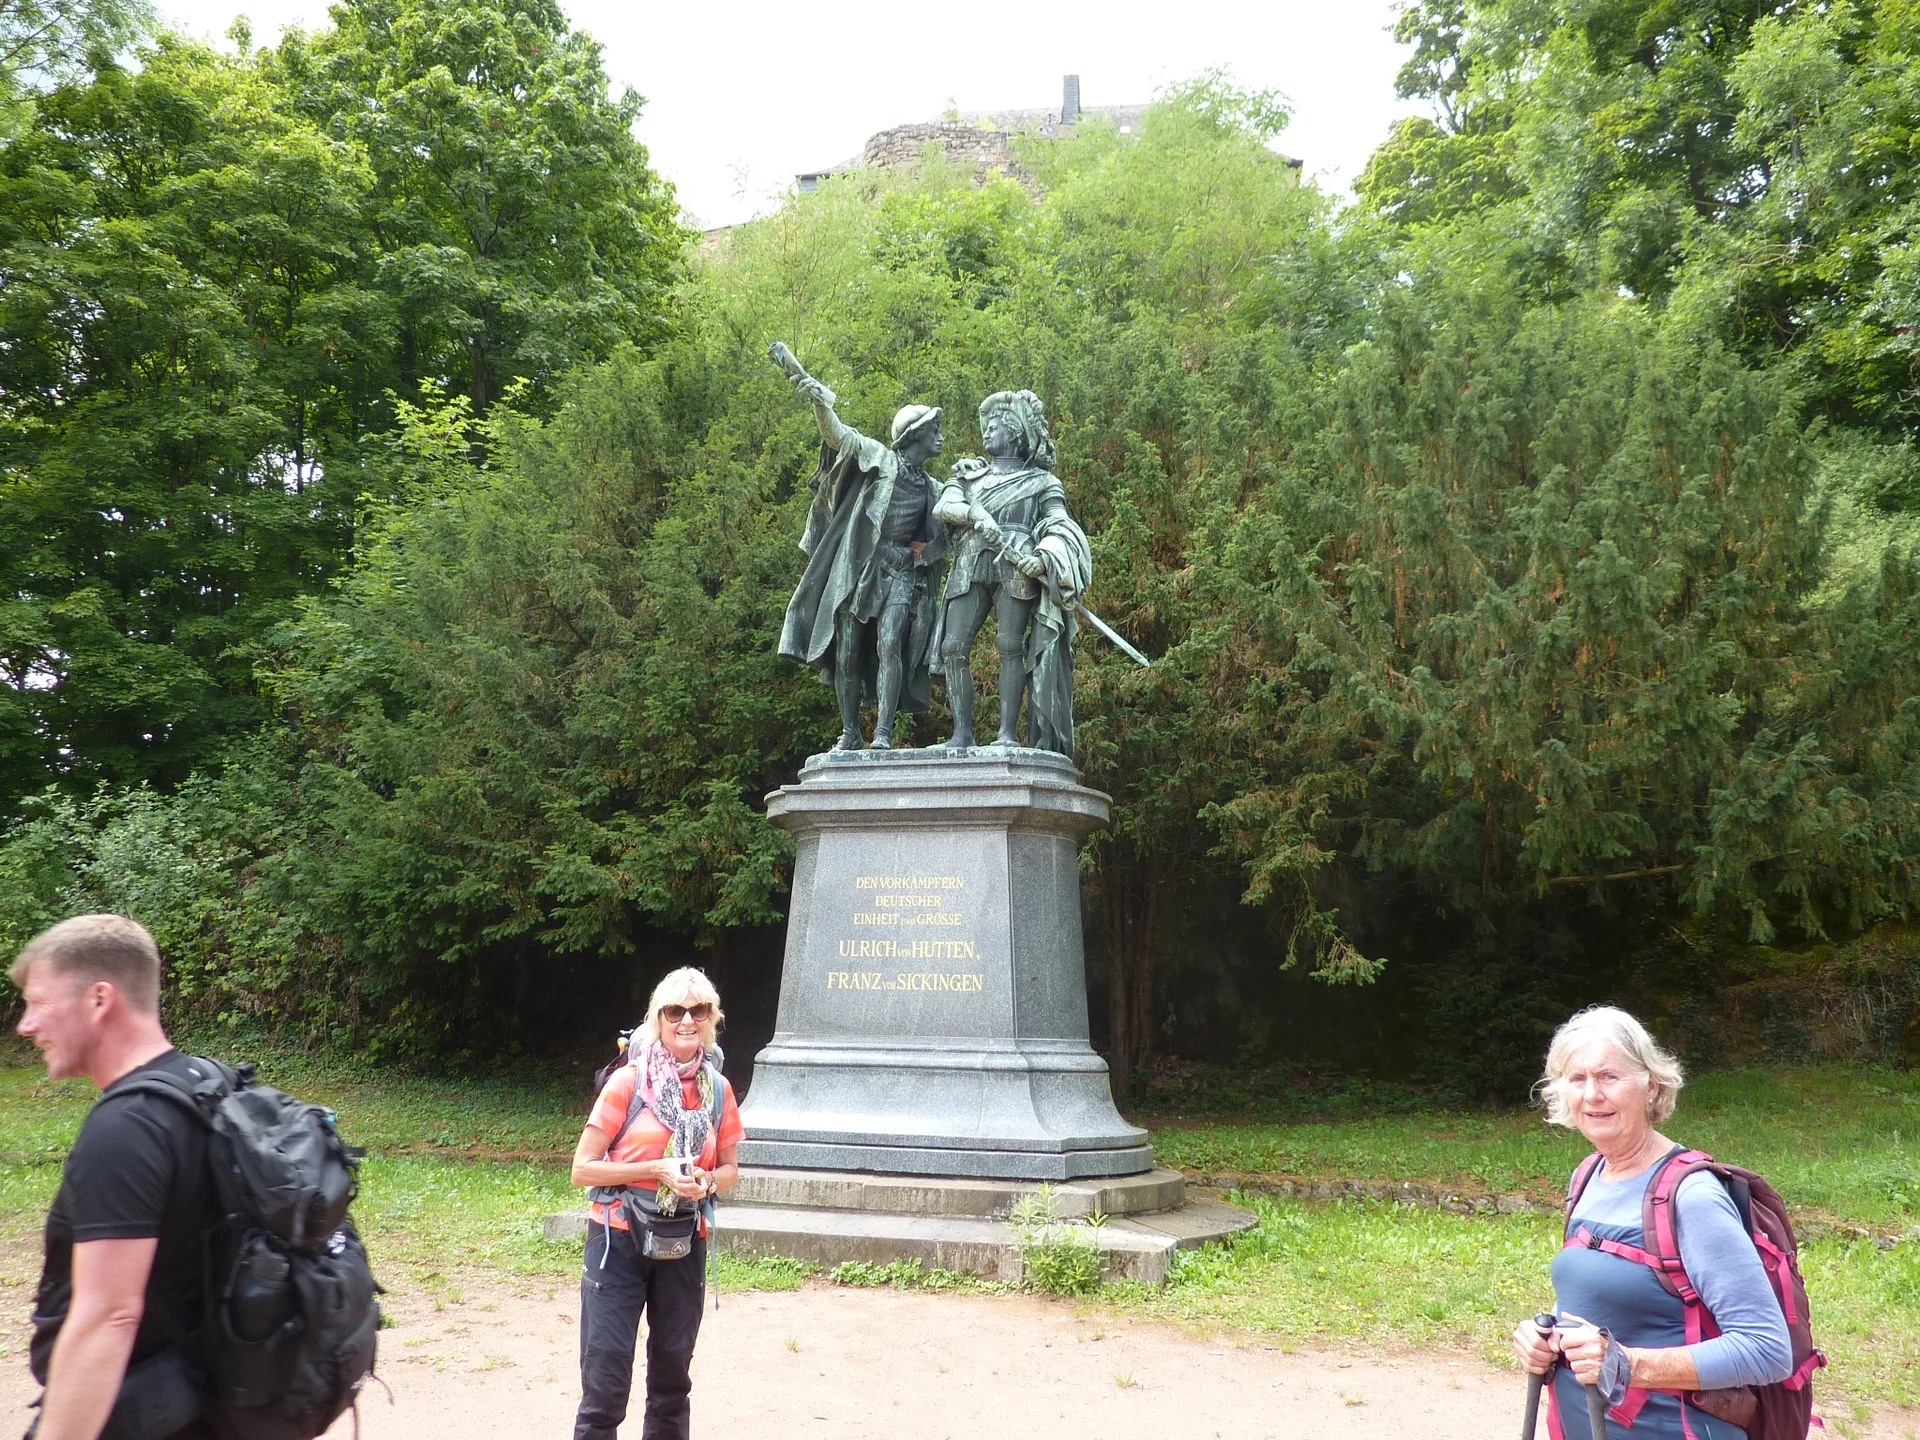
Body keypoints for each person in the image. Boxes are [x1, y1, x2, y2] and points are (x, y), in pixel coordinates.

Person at [1511, 1006, 1793, 1439]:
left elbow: (1767, 1350)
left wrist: (1627, 1364)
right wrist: (1546, 1336)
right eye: (1577, 1079)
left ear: (1650, 1086)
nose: (1592, 1095)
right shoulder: (1588, 1174)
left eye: (1609, 1077)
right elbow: (1602, 1299)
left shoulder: (1691, 1195)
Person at [13, 914, 219, 1440]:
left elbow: (110, 1315)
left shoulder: (127, 1128)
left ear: (99, 1000)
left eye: (39, 1002)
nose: (26, 1025)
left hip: (147, 1418)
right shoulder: (212, 1089)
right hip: (216, 1408)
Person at [570, 967, 743, 1440]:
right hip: (617, 1242)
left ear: (711, 1019)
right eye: (674, 1011)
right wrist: (655, 1170)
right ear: (657, 1019)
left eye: (699, 1010)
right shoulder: (628, 1084)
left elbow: (730, 1168)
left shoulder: (718, 1090)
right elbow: (581, 1169)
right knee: (605, 1384)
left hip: (685, 1242)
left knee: (671, 1382)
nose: (687, 1020)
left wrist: (706, 1182)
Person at [775, 353, 948, 752]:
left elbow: (946, 541)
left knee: (890, 643)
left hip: (902, 572)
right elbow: (840, 437)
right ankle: (850, 732)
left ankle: (883, 732)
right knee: (848, 652)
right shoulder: (880, 458)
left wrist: (923, 553)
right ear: (914, 435)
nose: (941, 436)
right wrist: (820, 401)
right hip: (862, 569)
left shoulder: (934, 488)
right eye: (934, 429)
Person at [931, 389, 1091, 753]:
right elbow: (945, 505)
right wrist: (973, 514)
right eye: (986, 425)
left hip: (1016, 565)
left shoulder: (1043, 482)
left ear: (1016, 432)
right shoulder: (970, 477)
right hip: (971, 562)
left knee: (1009, 647)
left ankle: (1006, 734)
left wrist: (1045, 556)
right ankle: (962, 734)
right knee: (953, 646)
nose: (986, 431)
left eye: (994, 426)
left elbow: (1058, 523)